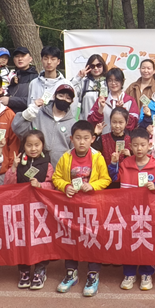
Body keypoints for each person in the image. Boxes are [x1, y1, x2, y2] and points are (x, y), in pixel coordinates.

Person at [53, 120, 111, 296]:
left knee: (93, 238)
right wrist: (65, 186)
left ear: (92, 139)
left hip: (92, 207)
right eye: (78, 138)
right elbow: (56, 177)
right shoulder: (66, 157)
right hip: (71, 207)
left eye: (86, 138)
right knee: (71, 238)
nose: (82, 142)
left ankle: (93, 274)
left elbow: (106, 179)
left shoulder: (97, 157)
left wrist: (92, 186)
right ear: (71, 139)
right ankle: (71, 273)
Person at [108, 127, 155, 291]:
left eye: (142, 145)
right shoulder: (125, 163)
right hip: (127, 211)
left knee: (146, 241)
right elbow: (113, 178)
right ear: (130, 146)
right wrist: (113, 163)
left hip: (147, 212)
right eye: (135, 145)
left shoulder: (154, 165)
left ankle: (146, 273)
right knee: (129, 242)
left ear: (149, 145)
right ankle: (129, 273)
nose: (139, 148)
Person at [4, 130, 54, 291]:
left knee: (40, 239)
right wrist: (13, 167)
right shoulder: (18, 163)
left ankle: (40, 270)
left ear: (42, 145)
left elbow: (53, 185)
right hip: (22, 209)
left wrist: (41, 185)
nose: (33, 148)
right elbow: (8, 185)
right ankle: (24, 270)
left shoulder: (47, 164)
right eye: (29, 145)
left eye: (37, 145)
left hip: (40, 210)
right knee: (22, 239)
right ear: (23, 146)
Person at [12, 83, 76, 169]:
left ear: (72, 102)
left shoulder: (73, 123)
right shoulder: (37, 113)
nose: (64, 99)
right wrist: (31, 110)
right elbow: (17, 129)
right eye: (61, 96)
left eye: (68, 98)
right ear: (54, 96)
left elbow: (74, 149)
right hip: (33, 166)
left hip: (59, 169)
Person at [88, 68, 139, 133]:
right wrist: (100, 109)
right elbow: (91, 122)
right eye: (110, 80)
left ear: (122, 81)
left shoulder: (129, 101)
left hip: (124, 138)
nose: (113, 83)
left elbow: (133, 125)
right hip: (104, 137)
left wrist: (122, 111)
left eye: (116, 80)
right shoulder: (101, 100)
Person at [93, 106, 132, 188]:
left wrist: (130, 156)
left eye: (121, 123)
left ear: (126, 122)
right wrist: (96, 134)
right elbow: (92, 152)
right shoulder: (103, 139)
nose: (117, 126)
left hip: (125, 181)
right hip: (106, 179)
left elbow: (137, 160)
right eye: (114, 122)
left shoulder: (131, 140)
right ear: (110, 121)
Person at [73, 54, 108, 121]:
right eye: (92, 66)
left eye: (98, 65)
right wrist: (78, 78)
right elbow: (70, 92)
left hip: (104, 124)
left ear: (103, 66)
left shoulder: (108, 83)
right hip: (87, 123)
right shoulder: (84, 82)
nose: (96, 68)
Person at [4, 47, 39, 114]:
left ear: (30, 59)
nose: (20, 59)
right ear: (14, 60)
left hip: (27, 116)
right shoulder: (9, 75)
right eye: (17, 56)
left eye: (23, 56)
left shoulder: (36, 78)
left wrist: (10, 101)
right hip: (8, 115)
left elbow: (34, 101)